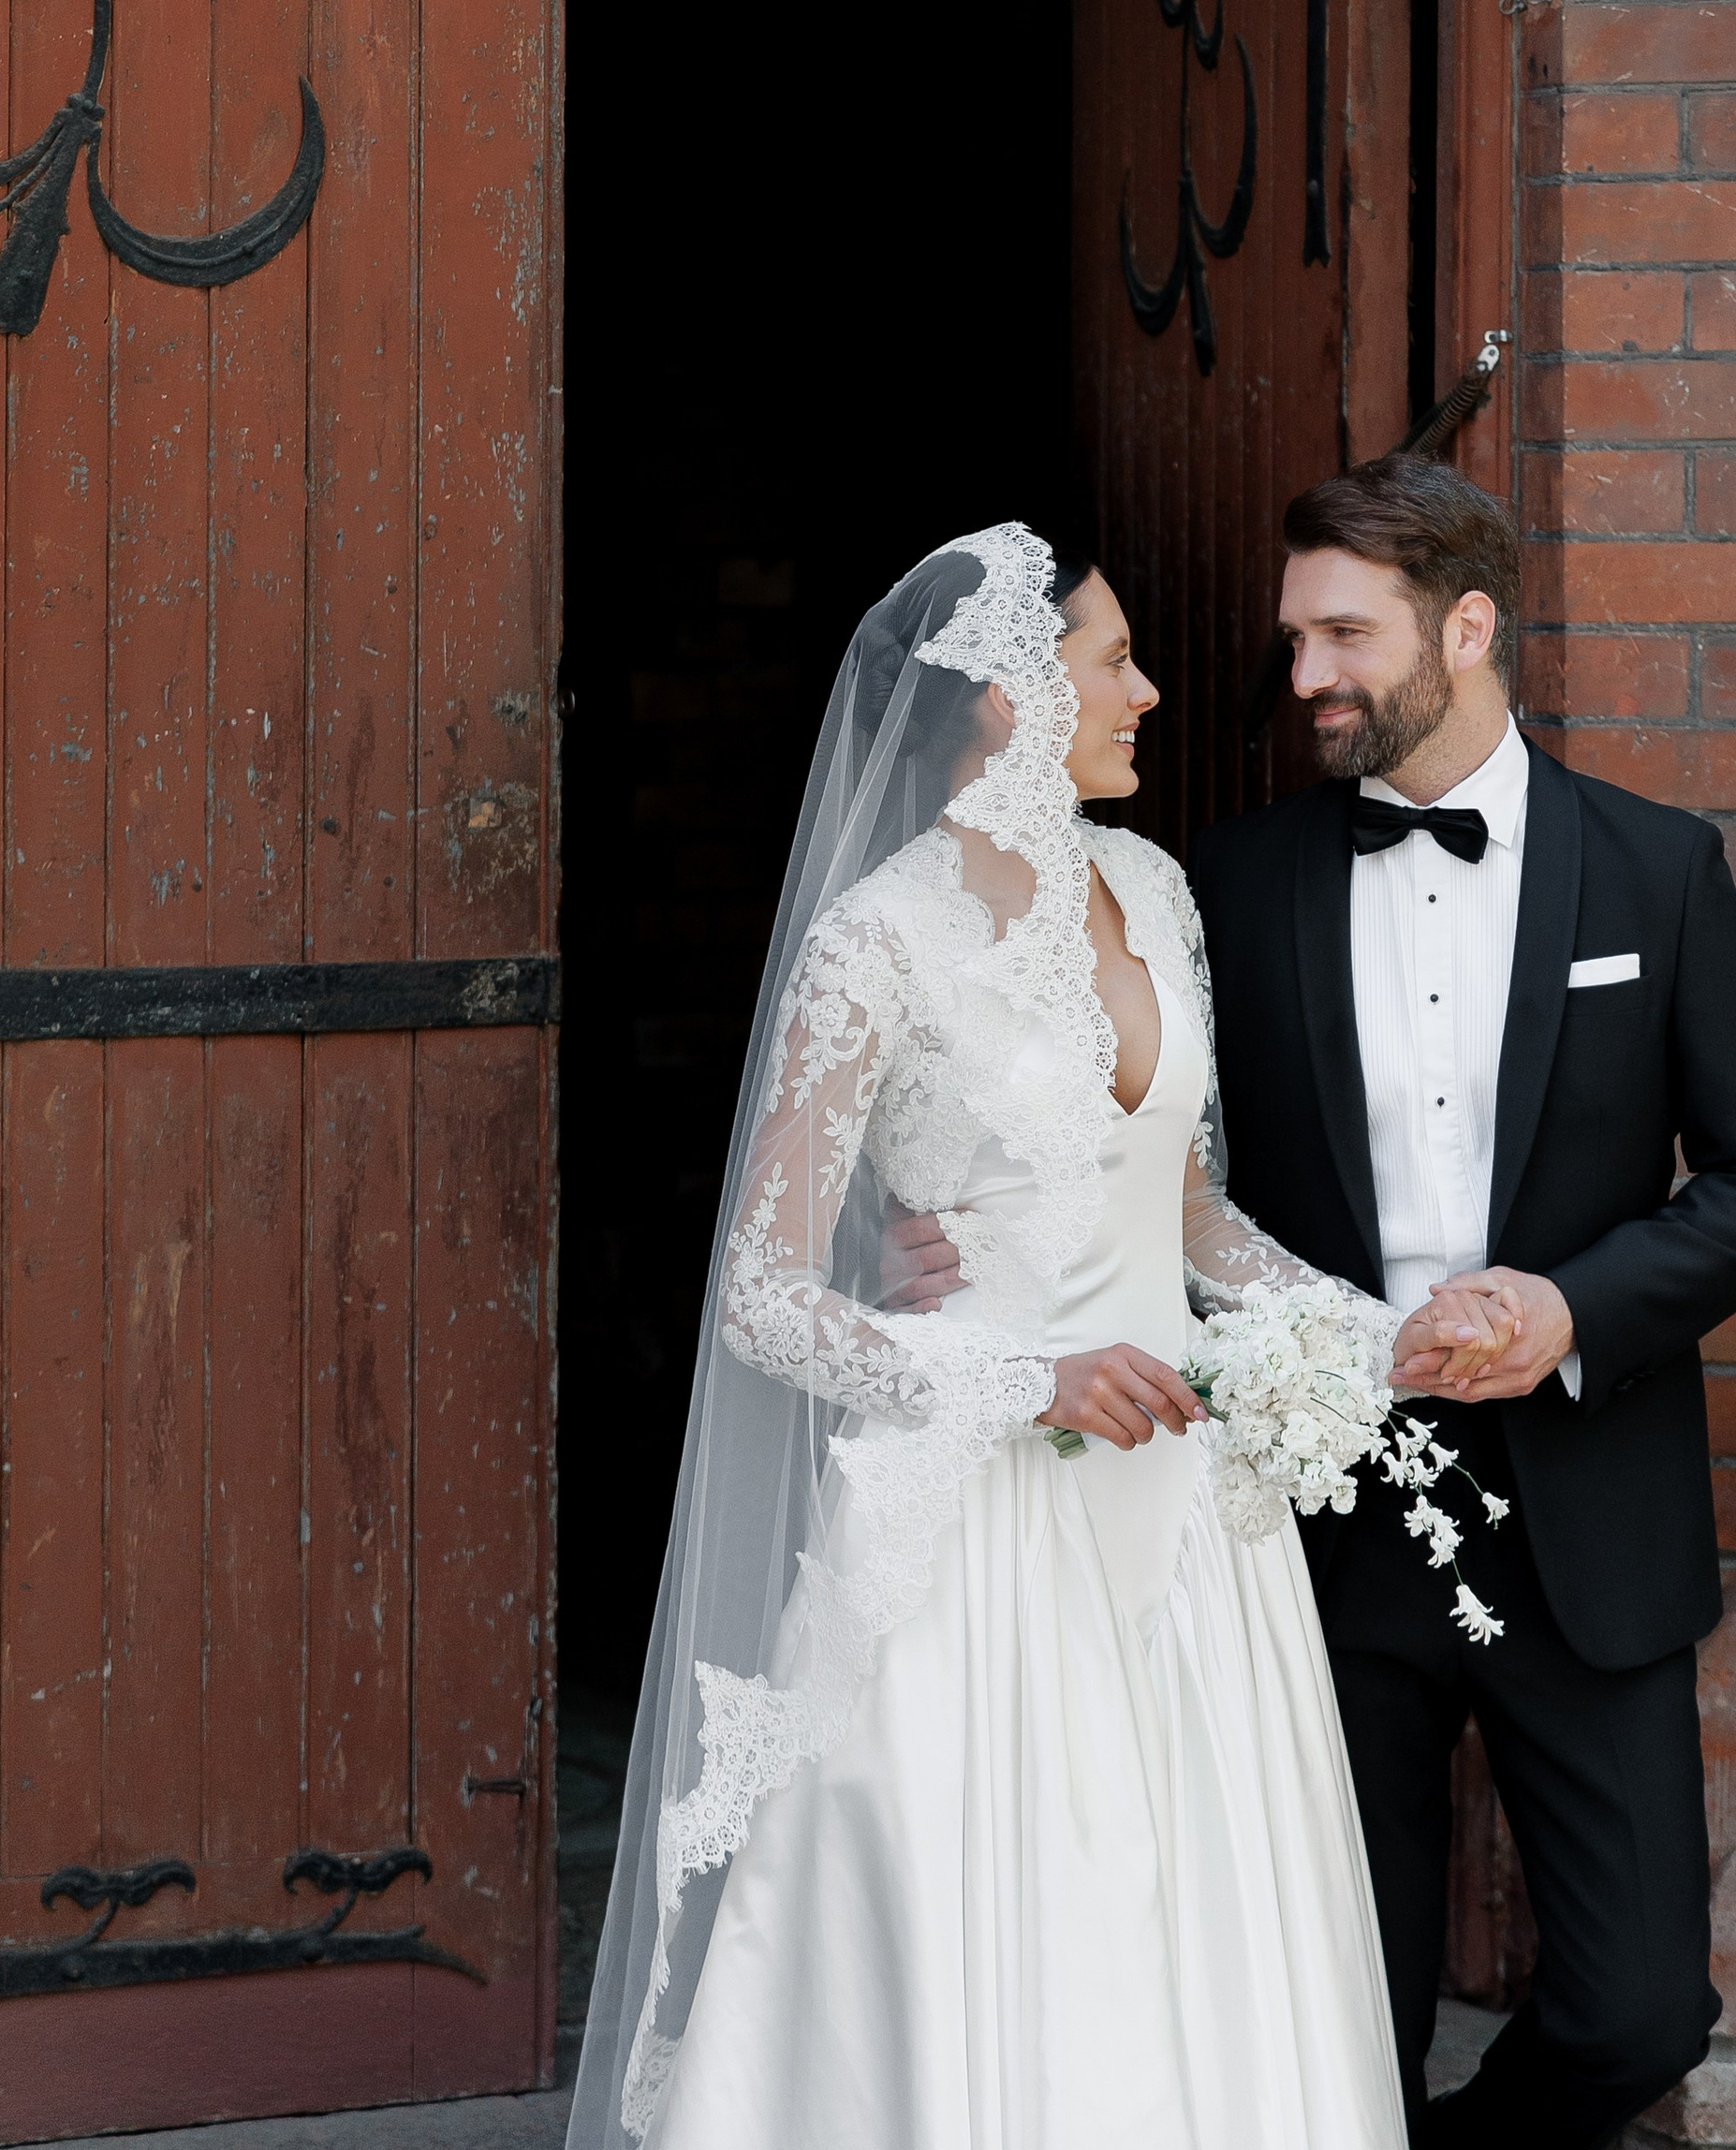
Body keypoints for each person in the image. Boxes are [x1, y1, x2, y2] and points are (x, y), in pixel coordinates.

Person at [568, 523, 1482, 2150]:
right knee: (1011, 1932)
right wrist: (1026, 1379)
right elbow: (764, 1294)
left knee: (1205, 1932)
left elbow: (1193, 1223)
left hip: (1192, 1528)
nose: (1147, 688)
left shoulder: (1154, 888)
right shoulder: (877, 944)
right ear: (1000, 698)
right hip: (978, 1536)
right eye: (1109, 658)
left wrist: (1372, 1333)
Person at [1192, 456, 1736, 2147]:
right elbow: (1151, 1176)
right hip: (1324, 1517)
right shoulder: (1230, 886)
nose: (1308, 672)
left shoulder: (1658, 869)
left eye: (1344, 632)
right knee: (1345, 2009)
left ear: (1468, 624)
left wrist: (1573, 1307)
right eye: (1296, 637)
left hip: (1589, 1514)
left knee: (1640, 2012)